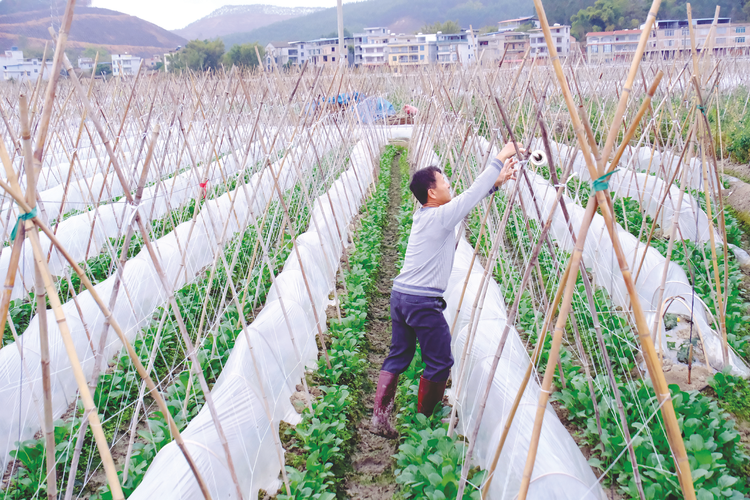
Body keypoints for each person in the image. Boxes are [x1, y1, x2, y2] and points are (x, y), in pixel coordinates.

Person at [370, 142, 523, 439]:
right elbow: (468, 197)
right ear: (431, 192)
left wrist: (495, 184)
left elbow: (466, 201)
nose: (450, 186)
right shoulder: (439, 217)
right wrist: (499, 159)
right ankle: (425, 423)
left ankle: (380, 416)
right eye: (445, 182)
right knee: (440, 361)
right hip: (422, 302)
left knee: (399, 354)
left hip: (401, 296)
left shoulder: (426, 216)